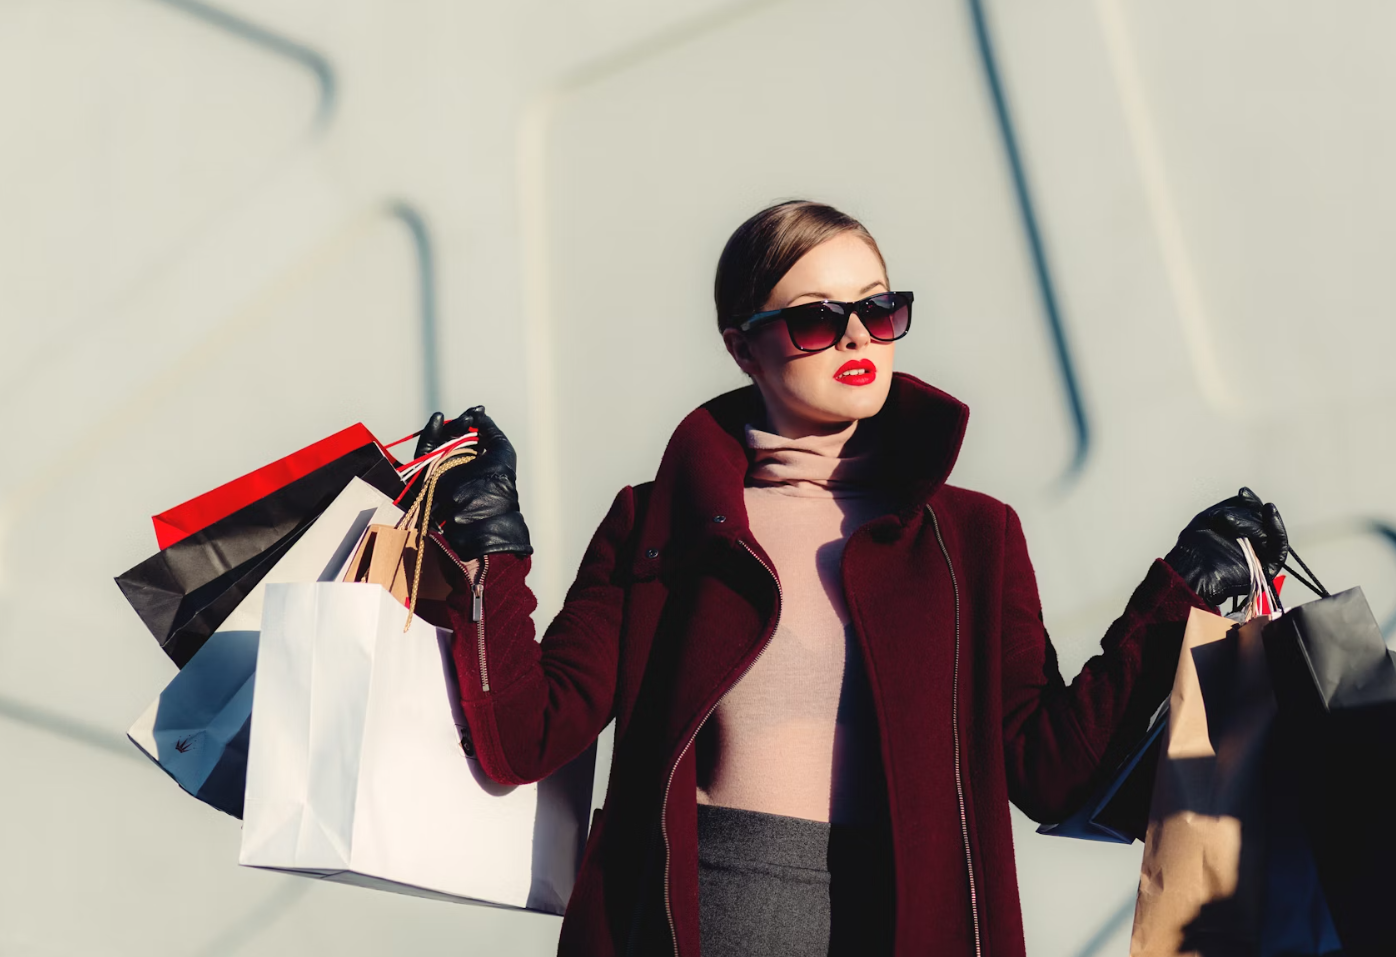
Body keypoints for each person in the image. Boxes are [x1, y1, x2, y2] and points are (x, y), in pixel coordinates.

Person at [415, 201, 1288, 957]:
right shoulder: (660, 523)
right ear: (742, 346)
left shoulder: (972, 537)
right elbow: (525, 735)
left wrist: (1178, 592)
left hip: (909, 923)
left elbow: (1049, 770)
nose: (858, 337)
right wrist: (491, 544)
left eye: (879, 307)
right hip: (700, 922)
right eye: (815, 320)